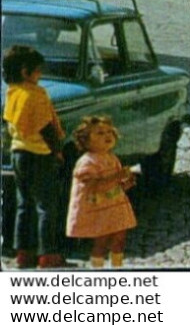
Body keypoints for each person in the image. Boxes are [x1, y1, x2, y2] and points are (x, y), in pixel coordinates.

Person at [3, 45, 67, 269]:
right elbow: (45, 126)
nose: (41, 74)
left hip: (18, 152)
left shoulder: (12, 92)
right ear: (25, 71)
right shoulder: (36, 94)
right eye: (38, 70)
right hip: (40, 154)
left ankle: (23, 252)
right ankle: (47, 254)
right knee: (46, 206)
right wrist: (57, 150)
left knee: (24, 205)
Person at [67, 116, 137, 268]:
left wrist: (126, 183)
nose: (107, 136)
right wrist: (118, 176)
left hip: (115, 206)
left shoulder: (111, 158)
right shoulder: (87, 162)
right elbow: (94, 186)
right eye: (100, 133)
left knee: (119, 239)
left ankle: (116, 268)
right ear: (86, 140)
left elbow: (114, 185)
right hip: (99, 209)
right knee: (101, 241)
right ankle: (97, 270)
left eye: (109, 132)